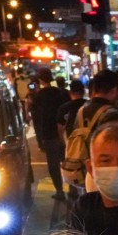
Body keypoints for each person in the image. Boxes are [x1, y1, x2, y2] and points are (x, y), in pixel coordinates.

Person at [30, 68, 71, 200]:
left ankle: (59, 190)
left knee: (53, 164)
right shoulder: (61, 93)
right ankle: (73, 187)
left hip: (49, 134)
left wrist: (40, 138)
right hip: (64, 132)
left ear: (40, 80)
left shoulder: (39, 96)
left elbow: (37, 118)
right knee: (67, 161)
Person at [55, 79, 87, 144]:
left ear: (70, 92)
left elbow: (60, 128)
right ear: (83, 91)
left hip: (71, 144)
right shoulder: (89, 105)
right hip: (88, 142)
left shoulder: (63, 108)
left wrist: (64, 144)